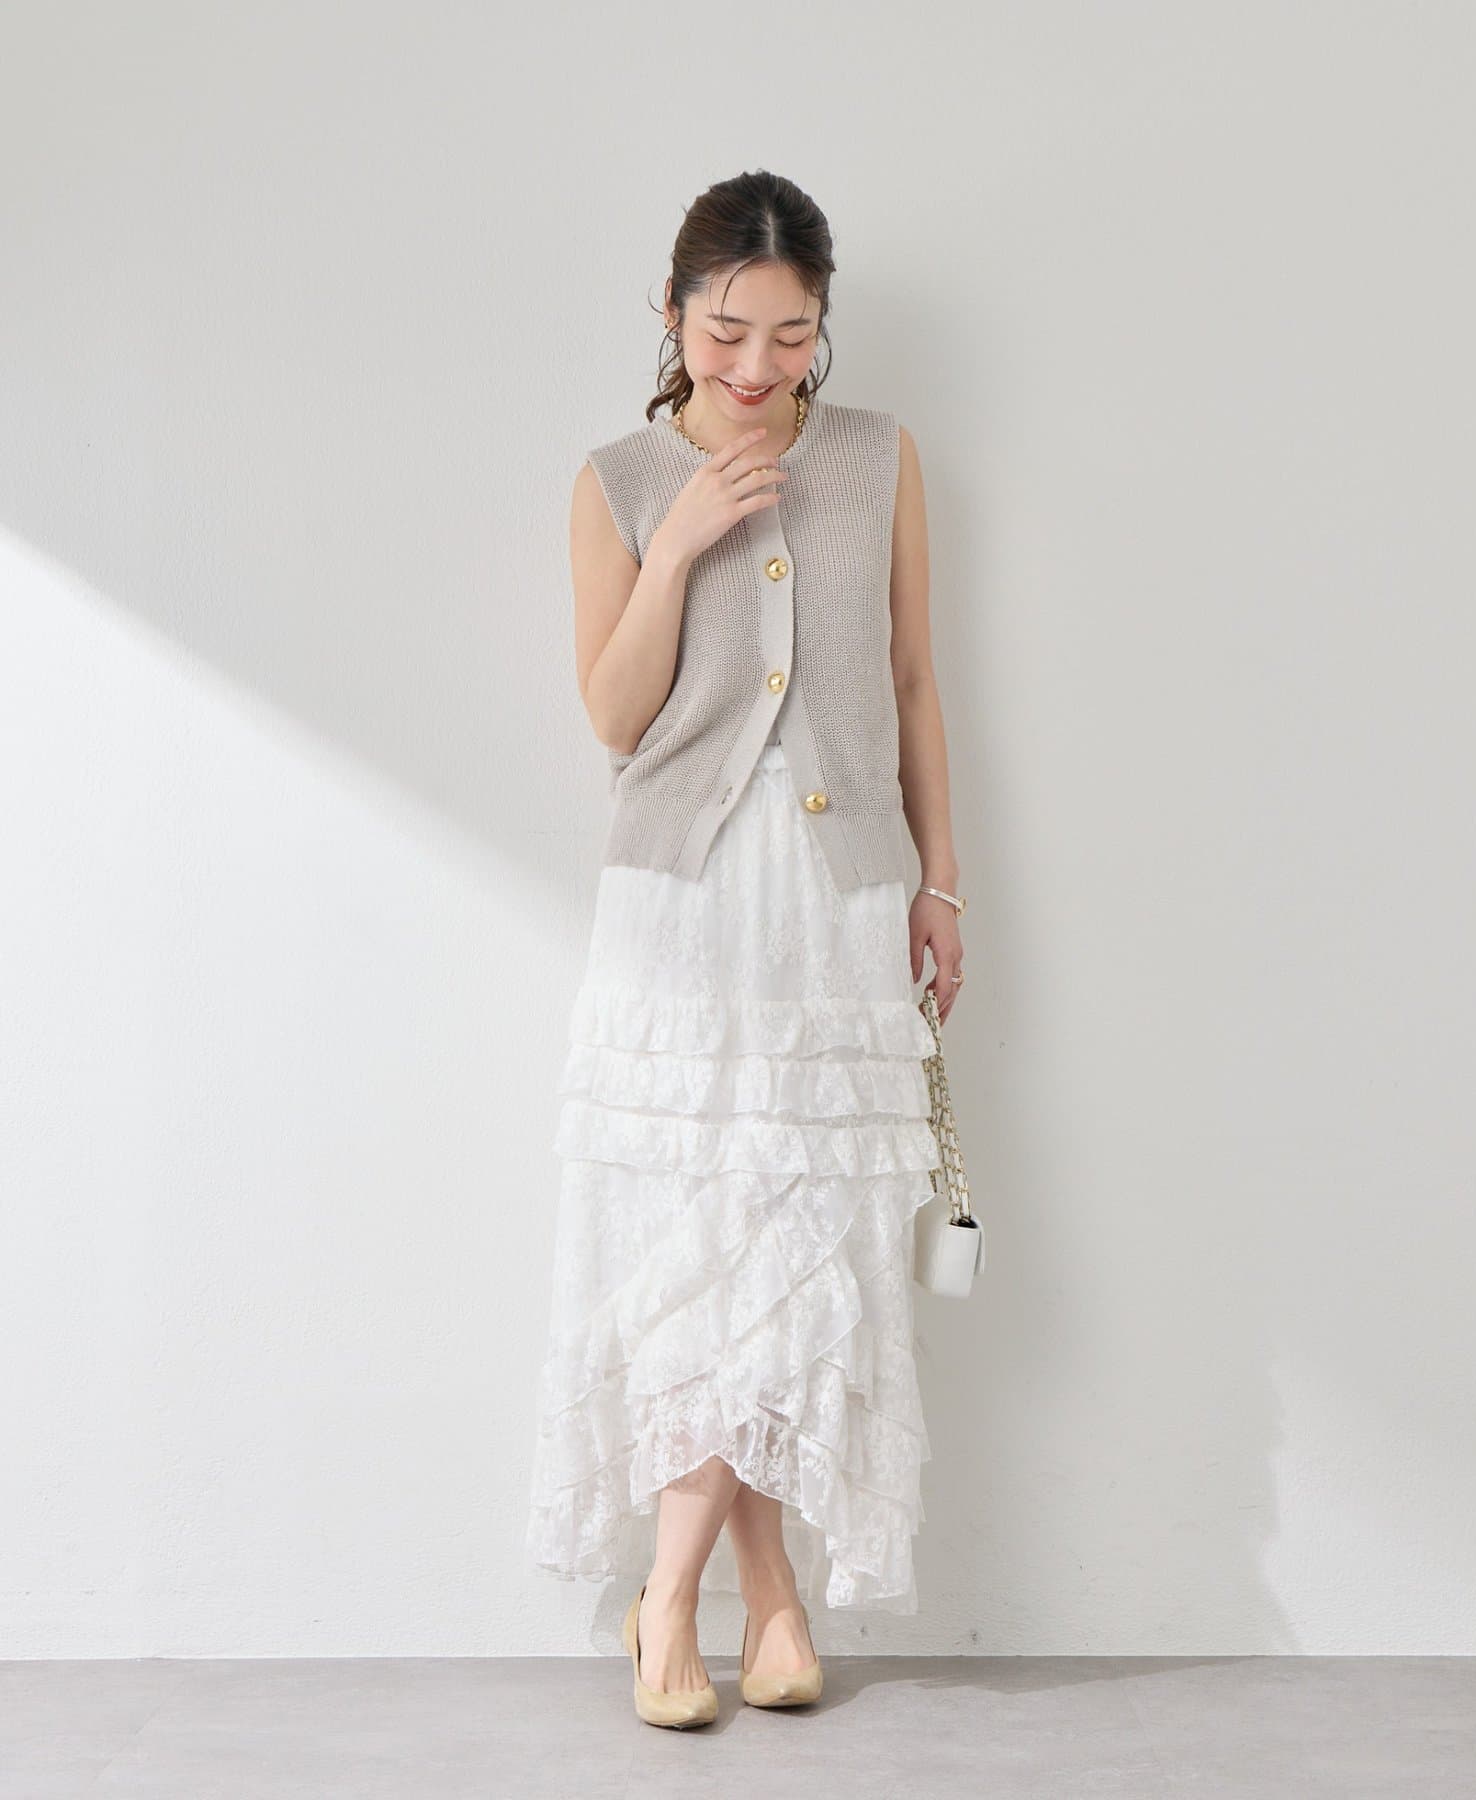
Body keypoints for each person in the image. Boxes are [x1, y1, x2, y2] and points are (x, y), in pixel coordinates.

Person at [524, 169, 967, 1728]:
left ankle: (714, 1598)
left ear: (821, 323)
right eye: (725, 333)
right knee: (699, 1243)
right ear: (671, 314)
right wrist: (680, 545)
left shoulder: (880, 459)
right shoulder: (618, 481)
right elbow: (614, 717)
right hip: (683, 908)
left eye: (791, 334)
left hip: (838, 897)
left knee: (798, 1239)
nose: (759, 366)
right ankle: (722, 1597)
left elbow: (911, 682)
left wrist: (943, 886)